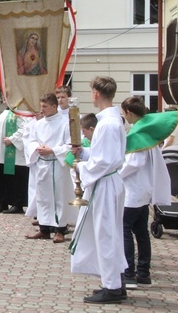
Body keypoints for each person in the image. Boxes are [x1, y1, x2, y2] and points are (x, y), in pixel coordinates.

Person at [70, 77, 128, 304]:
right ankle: (114, 281)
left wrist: (80, 166)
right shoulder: (112, 120)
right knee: (109, 234)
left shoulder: (107, 124)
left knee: (106, 235)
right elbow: (103, 156)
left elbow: (103, 161)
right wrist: (83, 154)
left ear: (95, 94)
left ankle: (112, 287)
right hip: (108, 180)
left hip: (105, 182)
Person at [119, 96, 173, 289]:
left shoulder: (138, 131)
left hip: (133, 190)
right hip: (143, 189)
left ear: (129, 113)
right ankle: (143, 273)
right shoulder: (147, 128)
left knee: (124, 230)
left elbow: (134, 162)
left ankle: (129, 274)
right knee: (141, 231)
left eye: (123, 113)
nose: (123, 117)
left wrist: (116, 172)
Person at [23, 94, 76, 243]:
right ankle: (44, 229)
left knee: (59, 197)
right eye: (41, 106)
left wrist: (52, 150)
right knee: (42, 197)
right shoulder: (38, 124)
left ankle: (60, 230)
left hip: (57, 163)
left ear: (54, 106)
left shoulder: (65, 123)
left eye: (45, 107)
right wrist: (37, 148)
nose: (42, 110)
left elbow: (70, 144)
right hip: (41, 163)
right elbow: (30, 140)